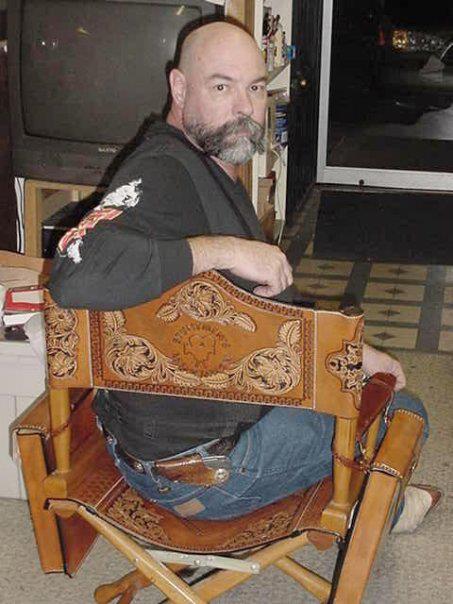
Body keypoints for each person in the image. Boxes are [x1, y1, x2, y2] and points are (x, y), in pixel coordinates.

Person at [49, 21, 439, 529]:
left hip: (198, 433)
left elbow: (257, 307)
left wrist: (354, 353)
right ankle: (381, 512)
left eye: (255, 88)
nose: (244, 107)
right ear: (179, 88)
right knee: (405, 414)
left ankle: (365, 501)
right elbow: (73, 273)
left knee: (367, 385)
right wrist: (224, 249)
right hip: (206, 472)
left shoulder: (208, 164)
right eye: (221, 86)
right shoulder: (163, 171)